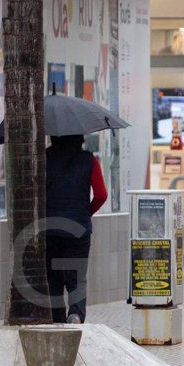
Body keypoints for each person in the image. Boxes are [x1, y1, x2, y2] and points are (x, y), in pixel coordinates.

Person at [44, 134, 108, 324]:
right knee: (77, 277)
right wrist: (85, 212)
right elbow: (101, 194)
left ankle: (57, 319)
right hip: (78, 228)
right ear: (80, 137)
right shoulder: (89, 160)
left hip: (50, 228)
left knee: (54, 278)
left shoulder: (44, 157)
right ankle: (76, 314)